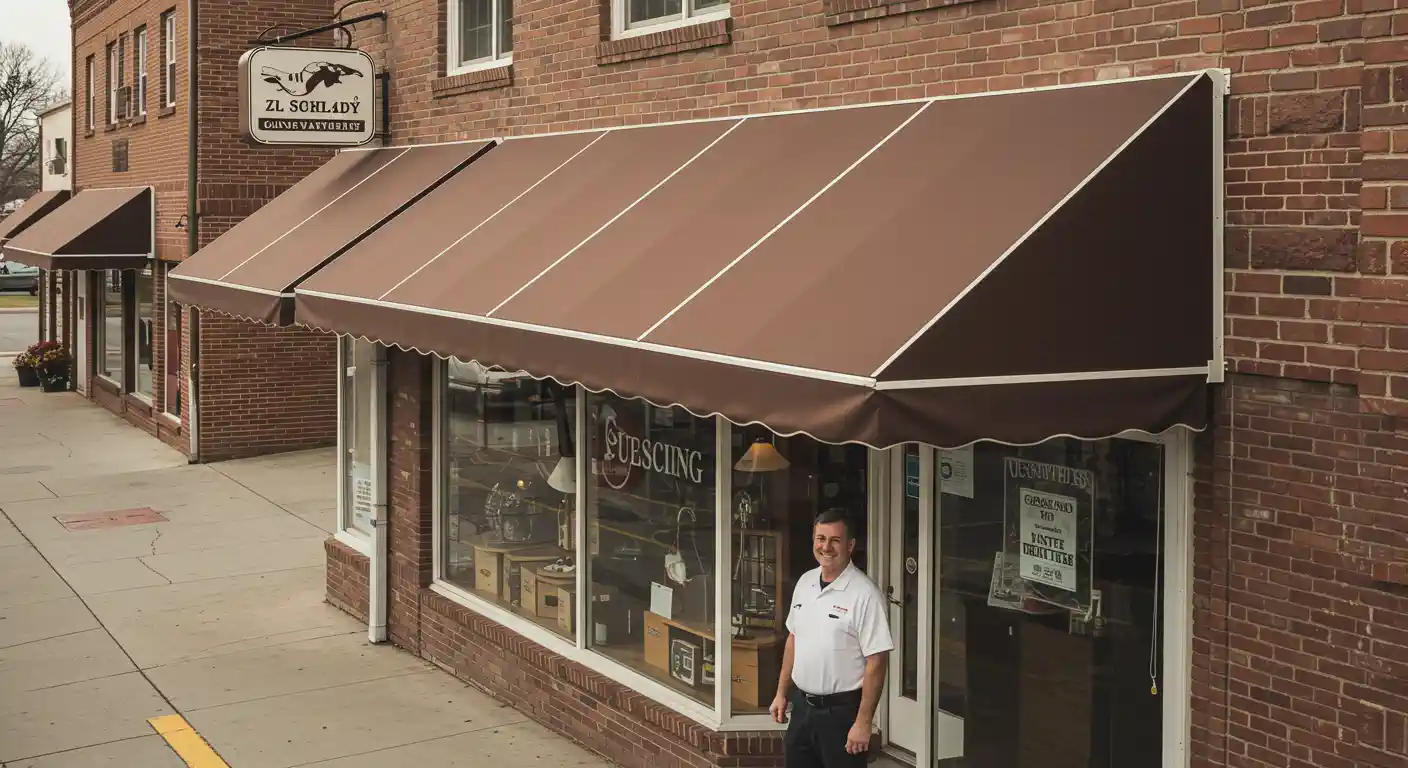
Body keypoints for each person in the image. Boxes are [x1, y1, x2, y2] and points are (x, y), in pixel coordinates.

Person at [770, 507, 894, 767]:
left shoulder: (865, 595)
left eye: (835, 540)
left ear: (850, 546)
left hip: (841, 715)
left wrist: (863, 722)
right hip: (802, 709)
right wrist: (781, 692)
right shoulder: (805, 582)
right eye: (821, 539)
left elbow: (877, 663)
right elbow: (794, 639)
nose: (826, 547)